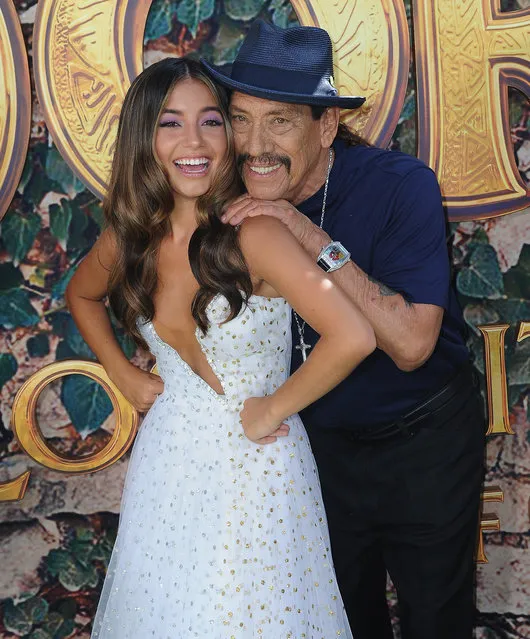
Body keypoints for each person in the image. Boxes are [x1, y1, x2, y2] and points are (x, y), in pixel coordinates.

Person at [66, 56, 376, 638]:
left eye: (211, 121)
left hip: (253, 470)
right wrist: (125, 374)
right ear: (144, 136)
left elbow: (353, 335)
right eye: (170, 122)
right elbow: (81, 295)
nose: (194, 140)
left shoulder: (256, 235)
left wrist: (272, 408)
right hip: (169, 465)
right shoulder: (133, 236)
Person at [206, 19, 486, 639]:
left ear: (326, 125)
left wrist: (306, 234)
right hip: (315, 452)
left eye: (279, 121)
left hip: (424, 443)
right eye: (241, 118)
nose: (255, 145)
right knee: (335, 621)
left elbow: (412, 345)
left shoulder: (399, 186)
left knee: (435, 622)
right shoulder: (221, 197)